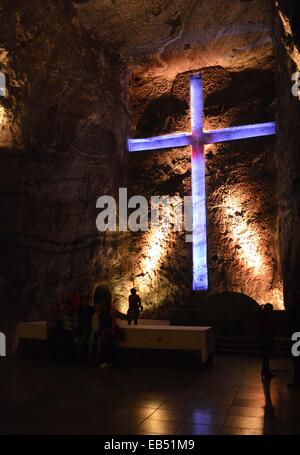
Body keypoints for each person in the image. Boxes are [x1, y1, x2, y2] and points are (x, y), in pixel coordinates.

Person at [257, 303, 275, 381]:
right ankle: (265, 372)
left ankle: (265, 371)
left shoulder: (263, 317)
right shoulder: (265, 318)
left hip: (266, 339)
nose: (271, 311)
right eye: (270, 310)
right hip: (266, 339)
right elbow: (266, 329)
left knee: (266, 357)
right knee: (266, 357)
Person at [98, 300, 116, 368]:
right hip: (104, 331)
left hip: (107, 331)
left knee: (106, 346)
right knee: (106, 346)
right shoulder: (103, 312)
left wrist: (112, 330)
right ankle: (107, 361)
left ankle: (106, 361)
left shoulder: (110, 312)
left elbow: (113, 322)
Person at [76, 295, 93, 363]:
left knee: (82, 341)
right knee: (81, 340)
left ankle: (78, 357)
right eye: (83, 301)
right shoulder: (80, 309)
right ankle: (79, 357)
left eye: (86, 301)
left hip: (87, 328)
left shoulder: (90, 309)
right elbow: (78, 319)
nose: (85, 302)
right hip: (81, 328)